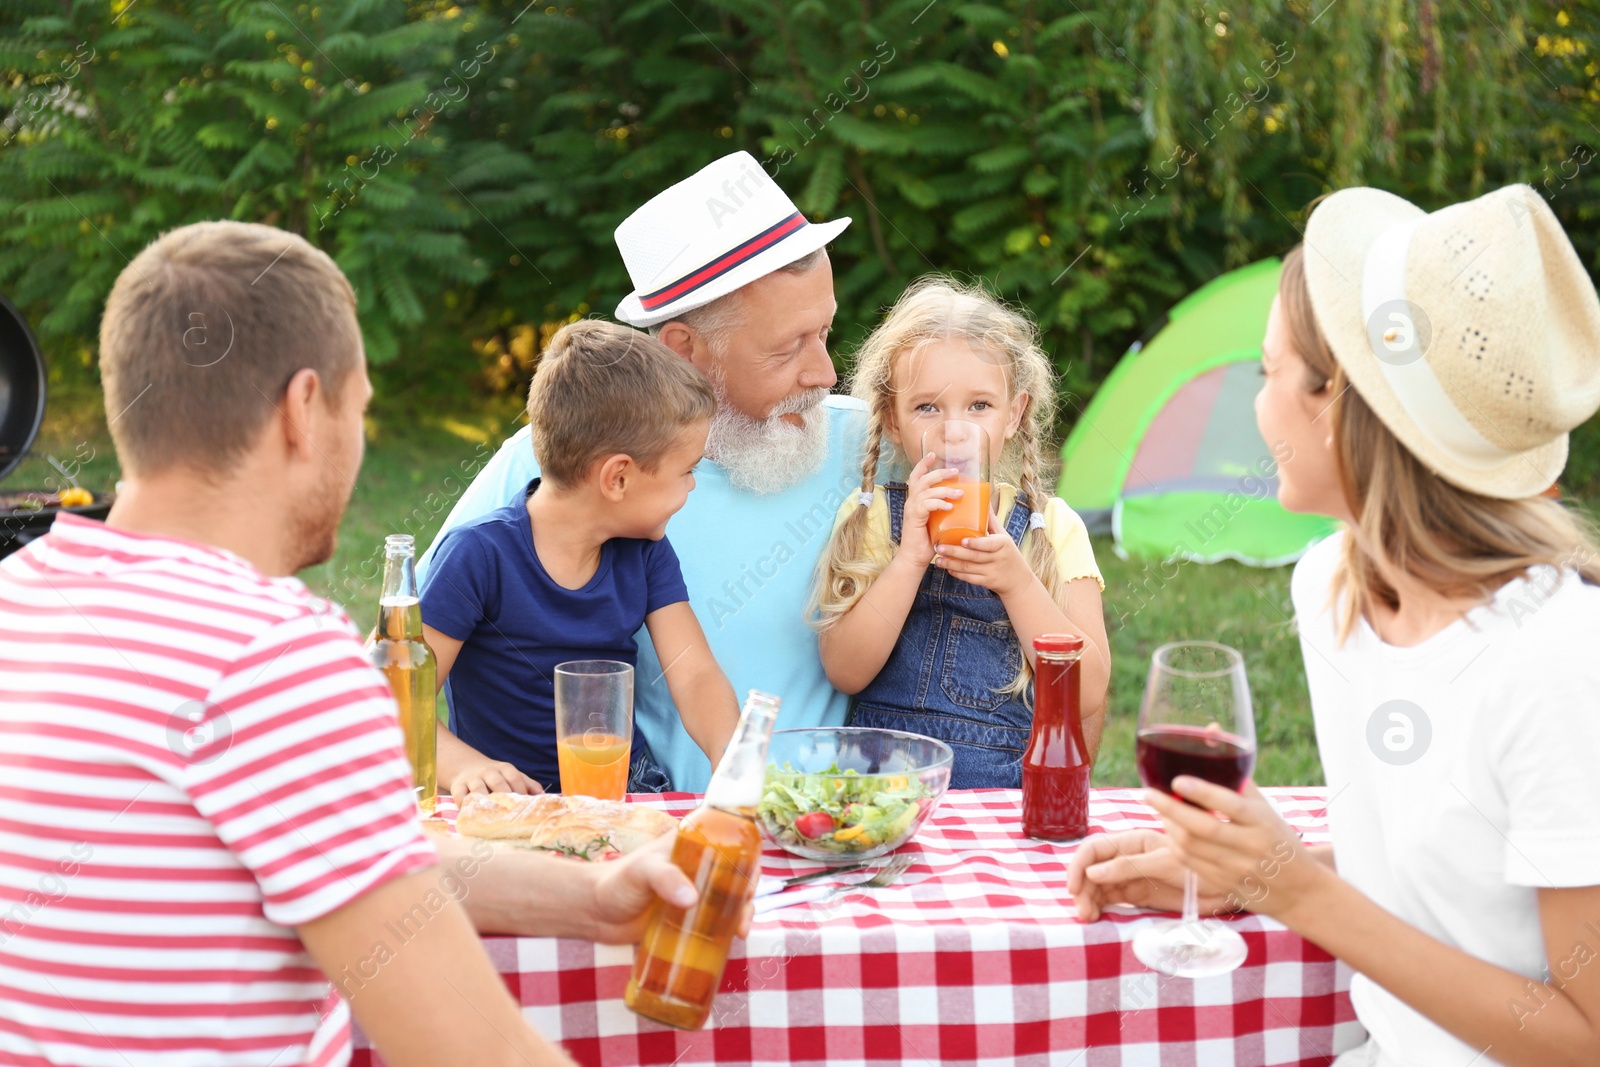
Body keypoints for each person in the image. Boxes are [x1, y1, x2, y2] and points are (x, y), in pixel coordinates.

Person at [0, 221, 740, 1067]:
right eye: (361, 411)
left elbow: (369, 845)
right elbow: (469, 1044)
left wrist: (591, 897)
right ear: (303, 409)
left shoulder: (15, 599)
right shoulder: (276, 653)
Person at [1068, 185, 1600, 1067]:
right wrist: (1239, 877)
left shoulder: (1557, 657)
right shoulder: (1333, 588)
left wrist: (1293, 884)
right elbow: (1450, 876)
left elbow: (1587, 1036)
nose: (1256, 404)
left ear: (1341, 409)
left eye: (1268, 372)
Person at [421, 150, 864, 793]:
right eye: (787, 346)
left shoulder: (869, 443)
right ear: (683, 348)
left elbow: (696, 675)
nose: (825, 374)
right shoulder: (543, 462)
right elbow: (395, 675)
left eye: (825, 331)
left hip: (720, 809)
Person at [420, 320, 739, 799]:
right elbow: (392, 703)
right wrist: (467, 768)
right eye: (687, 470)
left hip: (620, 797)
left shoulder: (645, 554)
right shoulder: (477, 558)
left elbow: (694, 673)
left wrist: (731, 755)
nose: (692, 484)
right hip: (509, 808)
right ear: (618, 479)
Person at [811, 278, 1109, 787]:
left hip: (1001, 798)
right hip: (881, 791)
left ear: (1014, 414)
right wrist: (907, 560)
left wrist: (1017, 583)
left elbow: (1085, 693)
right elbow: (845, 670)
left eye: (979, 406)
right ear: (893, 420)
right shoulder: (874, 517)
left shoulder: (1052, 528)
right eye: (927, 407)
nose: (954, 431)